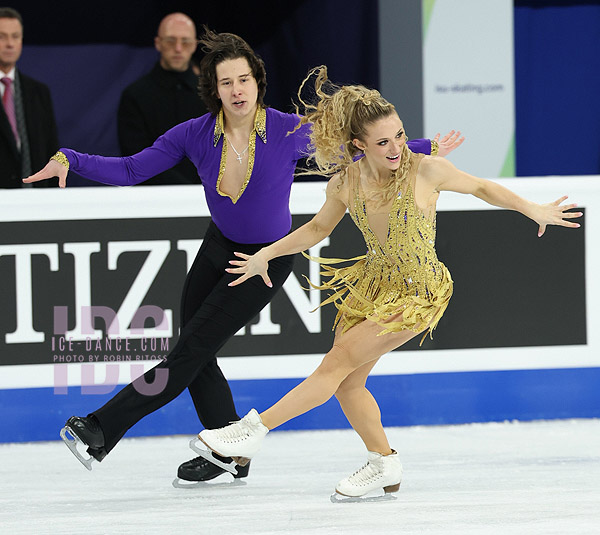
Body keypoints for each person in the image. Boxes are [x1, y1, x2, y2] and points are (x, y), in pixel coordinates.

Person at [24, 31, 461, 485]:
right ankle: (228, 450)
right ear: (213, 88)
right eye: (226, 81)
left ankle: (99, 429)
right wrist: (71, 159)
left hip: (264, 261)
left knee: (189, 351)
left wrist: (424, 147)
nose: (237, 90)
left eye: (244, 80)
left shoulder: (290, 132)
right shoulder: (193, 135)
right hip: (217, 249)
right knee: (197, 353)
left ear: (258, 83)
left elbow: (363, 149)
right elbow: (133, 169)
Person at [196, 66, 583, 500]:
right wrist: (267, 252)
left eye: (399, 135)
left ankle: (252, 430)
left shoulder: (427, 171)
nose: (397, 146)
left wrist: (532, 209)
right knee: (348, 383)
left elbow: (481, 188)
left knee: (337, 360)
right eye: (383, 141)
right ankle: (384, 462)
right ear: (359, 145)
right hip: (374, 285)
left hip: (419, 291)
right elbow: (318, 229)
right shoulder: (345, 181)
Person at [117, 12, 207, 186]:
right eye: (171, 41)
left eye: (186, 41)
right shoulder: (135, 95)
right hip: (154, 201)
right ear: (158, 43)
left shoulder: (212, 94)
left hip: (208, 200)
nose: (178, 48)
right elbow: (137, 158)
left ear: (195, 45)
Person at [0, 7, 58, 189]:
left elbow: (51, 151)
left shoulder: (39, 92)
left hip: (34, 202)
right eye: (2, 36)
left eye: (15, 36)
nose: (10, 43)